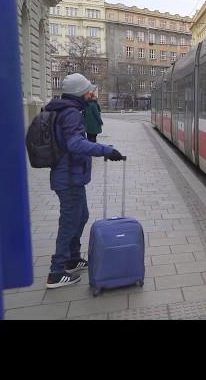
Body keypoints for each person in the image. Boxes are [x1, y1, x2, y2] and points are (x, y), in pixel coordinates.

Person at [43, 73, 123, 288]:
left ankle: (72, 257)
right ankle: (57, 272)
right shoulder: (70, 113)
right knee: (70, 221)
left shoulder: (67, 109)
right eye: (88, 90)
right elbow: (75, 144)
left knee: (80, 216)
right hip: (68, 176)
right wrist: (105, 150)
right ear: (80, 92)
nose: (91, 93)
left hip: (71, 174)